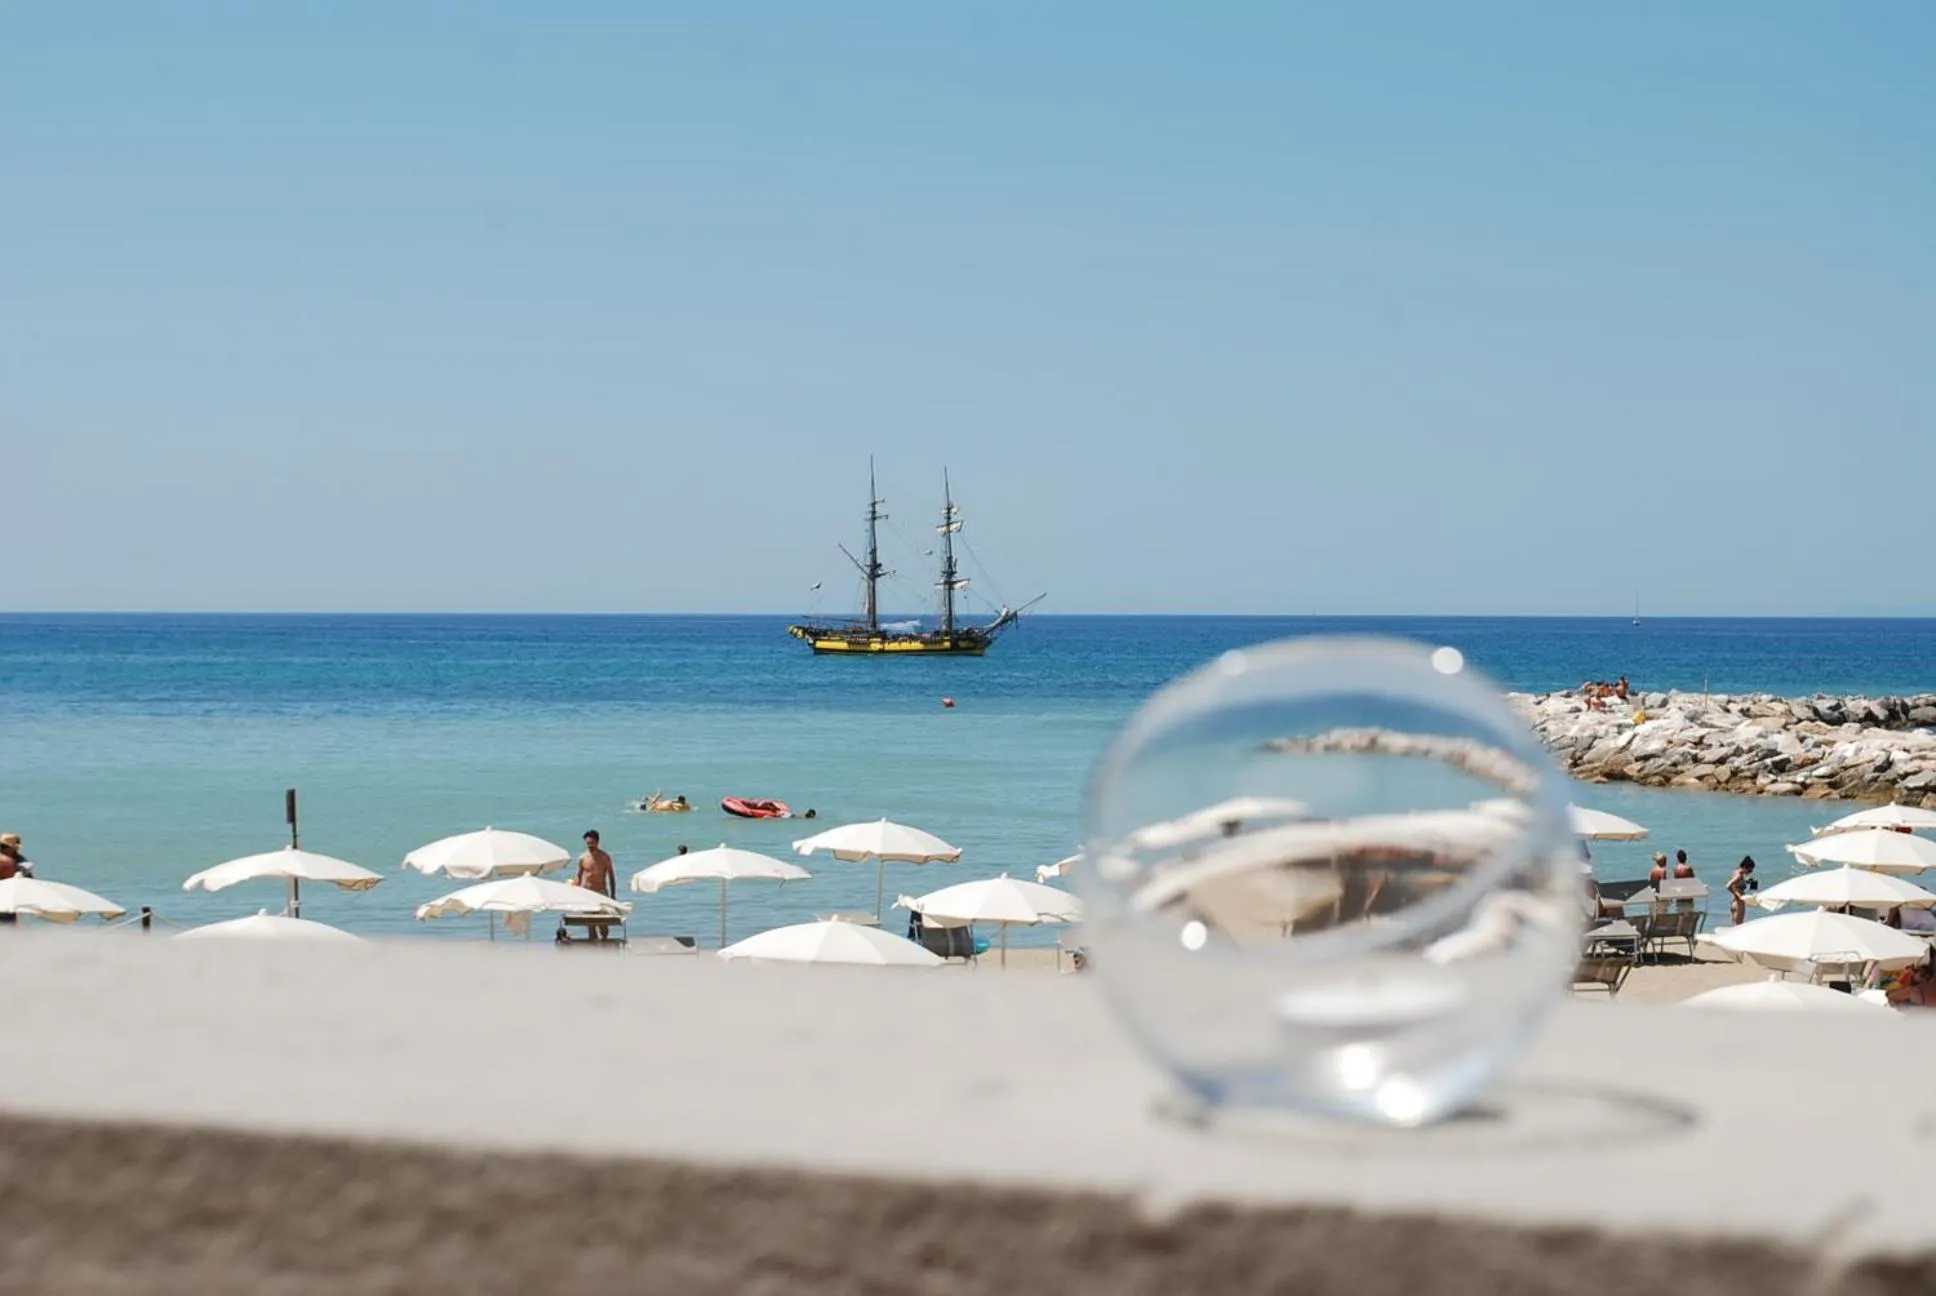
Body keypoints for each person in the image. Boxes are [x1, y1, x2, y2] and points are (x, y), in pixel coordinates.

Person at [576, 830, 617, 944]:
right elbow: (578, 877)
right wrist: (576, 892)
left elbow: (611, 877)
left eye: (592, 843)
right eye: (588, 843)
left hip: (601, 893)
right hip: (587, 893)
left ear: (598, 842)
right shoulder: (582, 858)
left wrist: (613, 895)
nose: (590, 845)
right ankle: (593, 949)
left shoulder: (605, 857)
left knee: (603, 925)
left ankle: (604, 944)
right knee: (590, 925)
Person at [1726, 856, 1757, 926]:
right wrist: (1739, 896)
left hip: (1735, 902)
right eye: (1750, 870)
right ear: (1745, 867)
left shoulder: (1737, 872)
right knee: (1738, 926)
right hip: (1738, 903)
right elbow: (1728, 886)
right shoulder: (1739, 875)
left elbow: (1736, 884)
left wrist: (1750, 882)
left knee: (1735, 926)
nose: (1751, 872)